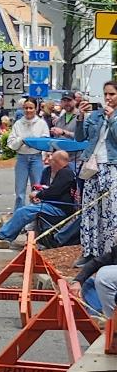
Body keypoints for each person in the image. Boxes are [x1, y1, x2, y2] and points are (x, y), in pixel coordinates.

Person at [0, 150, 75, 249]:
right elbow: (42, 187)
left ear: (58, 162)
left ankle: (1, 237)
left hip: (59, 207)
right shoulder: (48, 171)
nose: (49, 161)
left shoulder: (66, 173)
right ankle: (3, 236)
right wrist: (38, 195)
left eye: (52, 160)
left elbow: (54, 191)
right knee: (25, 211)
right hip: (49, 203)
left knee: (23, 212)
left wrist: (39, 195)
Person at [75, 81, 117, 261]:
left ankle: (110, 253)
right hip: (92, 167)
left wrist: (113, 118)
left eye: (112, 94)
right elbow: (79, 137)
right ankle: (90, 252)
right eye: (105, 94)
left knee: (111, 212)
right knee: (90, 210)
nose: (108, 98)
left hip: (112, 167)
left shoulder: (112, 116)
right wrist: (80, 117)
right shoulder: (96, 115)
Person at [7, 98, 50, 211]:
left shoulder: (41, 123)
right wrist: (22, 140)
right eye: (26, 108)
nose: (28, 110)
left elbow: (46, 143)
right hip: (22, 158)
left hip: (36, 158)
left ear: (35, 109)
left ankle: (35, 216)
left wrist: (42, 153)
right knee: (20, 192)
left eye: (31, 108)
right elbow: (11, 144)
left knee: (37, 190)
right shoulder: (18, 124)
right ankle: (18, 216)